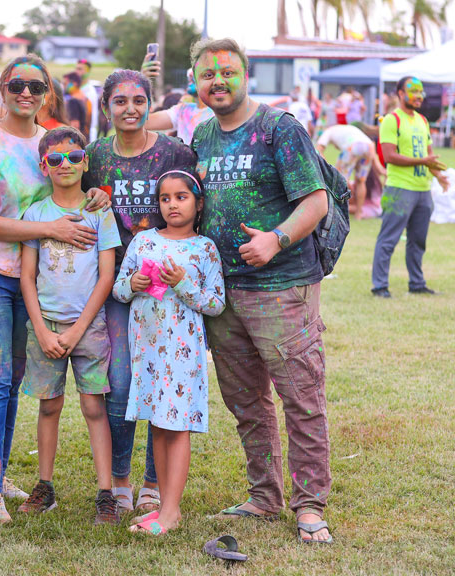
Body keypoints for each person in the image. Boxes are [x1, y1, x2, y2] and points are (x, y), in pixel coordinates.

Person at [189, 38, 333, 543]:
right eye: (208, 75)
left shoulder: (279, 128)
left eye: (227, 72)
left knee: (301, 396)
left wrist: (276, 239)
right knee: (245, 401)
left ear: (246, 75)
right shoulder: (203, 135)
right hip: (223, 294)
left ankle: (310, 505)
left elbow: (315, 201)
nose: (218, 82)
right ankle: (265, 496)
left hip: (281, 287)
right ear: (196, 82)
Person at [0, 53, 110, 523]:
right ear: (3, 88)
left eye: (36, 86)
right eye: (17, 84)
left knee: (12, 387)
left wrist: (98, 194)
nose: (26, 92)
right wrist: (52, 232)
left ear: (47, 93)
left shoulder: (50, 142)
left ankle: (0, 472)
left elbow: (78, 183)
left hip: (42, 286)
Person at [83, 69, 198, 515]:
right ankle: (120, 479)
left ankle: (153, 481)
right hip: (116, 286)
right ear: (107, 106)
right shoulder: (94, 155)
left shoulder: (174, 152)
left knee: (161, 383)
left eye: (138, 100)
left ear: (150, 103)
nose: (129, 109)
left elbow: (192, 207)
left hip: (166, 290)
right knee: (120, 382)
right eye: (120, 101)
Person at [18, 126, 121, 524]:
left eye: (74, 157)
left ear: (86, 162)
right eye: (56, 159)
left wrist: (78, 330)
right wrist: (42, 330)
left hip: (88, 326)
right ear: (44, 166)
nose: (66, 165)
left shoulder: (99, 212)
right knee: (49, 405)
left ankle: (106, 493)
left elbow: (106, 276)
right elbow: (27, 277)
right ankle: (44, 487)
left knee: (94, 406)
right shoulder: (37, 215)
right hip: (45, 322)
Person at [113, 170, 225, 535]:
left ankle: (171, 512)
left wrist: (184, 283)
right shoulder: (143, 241)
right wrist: (132, 284)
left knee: (176, 428)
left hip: (181, 352)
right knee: (158, 425)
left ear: (198, 202)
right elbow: (118, 289)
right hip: (146, 351)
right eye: (165, 198)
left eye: (181, 197)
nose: (172, 204)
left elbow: (216, 303)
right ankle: (162, 506)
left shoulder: (204, 248)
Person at [371, 76, 450, 298]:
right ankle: (379, 286)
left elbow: (427, 156)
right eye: (413, 91)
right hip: (399, 189)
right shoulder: (391, 120)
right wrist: (424, 162)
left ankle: (417, 283)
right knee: (388, 240)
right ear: (400, 93)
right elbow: (389, 156)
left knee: (418, 241)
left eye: (420, 92)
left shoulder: (423, 121)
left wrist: (438, 175)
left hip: (423, 190)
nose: (418, 96)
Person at [317, 124, 384, 219]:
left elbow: (319, 151)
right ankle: (358, 213)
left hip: (353, 146)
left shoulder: (328, 131)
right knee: (361, 181)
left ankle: (338, 209)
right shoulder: (347, 129)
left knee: (339, 178)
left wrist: (326, 167)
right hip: (369, 147)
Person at [144, 67, 214, 146]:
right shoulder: (183, 110)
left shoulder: (220, 112)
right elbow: (145, 123)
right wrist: (141, 82)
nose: (190, 75)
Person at [75, 59, 100, 143]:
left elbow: (93, 120)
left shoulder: (91, 92)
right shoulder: (73, 89)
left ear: (88, 72)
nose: (76, 71)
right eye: (76, 68)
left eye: (80, 69)